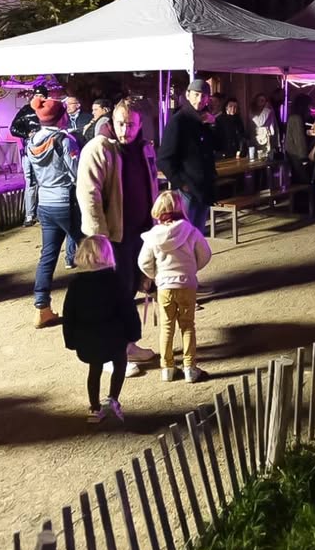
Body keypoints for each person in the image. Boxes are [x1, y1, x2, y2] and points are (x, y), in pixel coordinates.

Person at [76, 97, 158, 367]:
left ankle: (125, 345)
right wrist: (98, 238)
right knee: (111, 296)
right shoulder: (98, 149)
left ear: (140, 124)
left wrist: (156, 226)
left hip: (139, 234)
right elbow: (88, 195)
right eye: (121, 123)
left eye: (131, 124)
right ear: (112, 121)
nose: (125, 130)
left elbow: (152, 186)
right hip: (111, 238)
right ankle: (110, 353)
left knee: (130, 290)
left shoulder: (145, 149)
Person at [62, 235, 139, 423]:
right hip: (114, 336)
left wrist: (70, 339)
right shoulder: (116, 281)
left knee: (94, 369)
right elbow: (128, 309)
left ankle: (94, 408)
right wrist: (133, 333)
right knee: (120, 363)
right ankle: (113, 398)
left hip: (88, 338)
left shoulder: (76, 284)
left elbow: (69, 314)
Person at [138, 191, 212, 383]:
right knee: (187, 326)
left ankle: (167, 368)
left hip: (164, 286)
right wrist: (192, 268)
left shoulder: (153, 236)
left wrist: (155, 275)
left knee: (166, 326)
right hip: (187, 284)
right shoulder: (191, 231)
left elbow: (143, 262)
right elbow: (205, 253)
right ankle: (190, 368)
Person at [27, 96, 82, 328]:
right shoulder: (64, 140)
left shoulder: (31, 141)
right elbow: (77, 171)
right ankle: (98, 301)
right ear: (61, 117)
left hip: (45, 202)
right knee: (90, 249)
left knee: (48, 255)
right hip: (66, 201)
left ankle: (42, 307)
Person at [157, 79, 216, 233]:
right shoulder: (179, 121)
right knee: (184, 235)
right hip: (188, 190)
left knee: (197, 236)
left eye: (203, 96)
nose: (199, 99)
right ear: (188, 95)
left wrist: (213, 124)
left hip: (203, 188)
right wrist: (181, 184)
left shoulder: (204, 120)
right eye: (196, 94)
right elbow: (163, 158)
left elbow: (217, 146)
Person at [10, 84, 49, 227]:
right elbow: (13, 128)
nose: (39, 98)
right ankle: (29, 214)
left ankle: (43, 213)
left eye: (42, 96)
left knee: (46, 181)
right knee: (30, 181)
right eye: (36, 95)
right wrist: (27, 134)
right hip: (31, 151)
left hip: (48, 150)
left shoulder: (51, 109)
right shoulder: (26, 110)